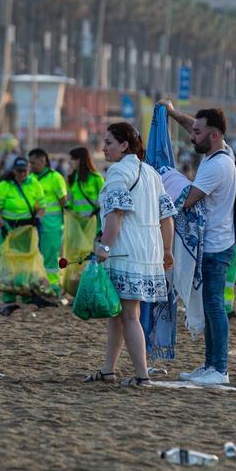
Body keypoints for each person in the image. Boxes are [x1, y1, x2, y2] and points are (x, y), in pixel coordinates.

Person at [86, 122, 175, 388]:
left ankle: (142, 375)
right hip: (148, 252)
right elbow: (167, 217)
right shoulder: (151, 173)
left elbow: (115, 215)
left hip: (124, 251)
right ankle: (108, 370)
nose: (104, 148)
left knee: (129, 316)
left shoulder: (117, 172)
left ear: (124, 145)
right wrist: (167, 250)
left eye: (109, 143)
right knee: (118, 313)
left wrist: (103, 248)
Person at [160, 101, 236, 386]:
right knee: (209, 306)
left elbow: (186, 201)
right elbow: (195, 124)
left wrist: (159, 195)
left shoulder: (216, 166)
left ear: (213, 135)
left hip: (216, 247)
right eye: (192, 131)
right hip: (216, 243)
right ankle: (210, 366)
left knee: (215, 306)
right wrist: (171, 112)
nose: (192, 137)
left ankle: (220, 369)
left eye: (197, 133)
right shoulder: (221, 151)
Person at [0, 156, 47, 307]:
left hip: (27, 228)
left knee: (25, 261)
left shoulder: (34, 183)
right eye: (19, 171)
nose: (22, 174)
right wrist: (2, 226)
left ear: (28, 170)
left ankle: (25, 294)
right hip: (9, 227)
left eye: (25, 171)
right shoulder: (4, 186)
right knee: (9, 261)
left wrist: (38, 218)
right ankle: (9, 296)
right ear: (14, 171)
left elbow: (42, 206)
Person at [29, 148, 68, 288]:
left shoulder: (55, 178)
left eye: (33, 162)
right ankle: (37, 287)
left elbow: (64, 202)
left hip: (52, 226)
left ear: (43, 160)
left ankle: (53, 289)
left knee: (51, 259)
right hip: (33, 225)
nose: (31, 166)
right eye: (30, 163)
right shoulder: (30, 179)